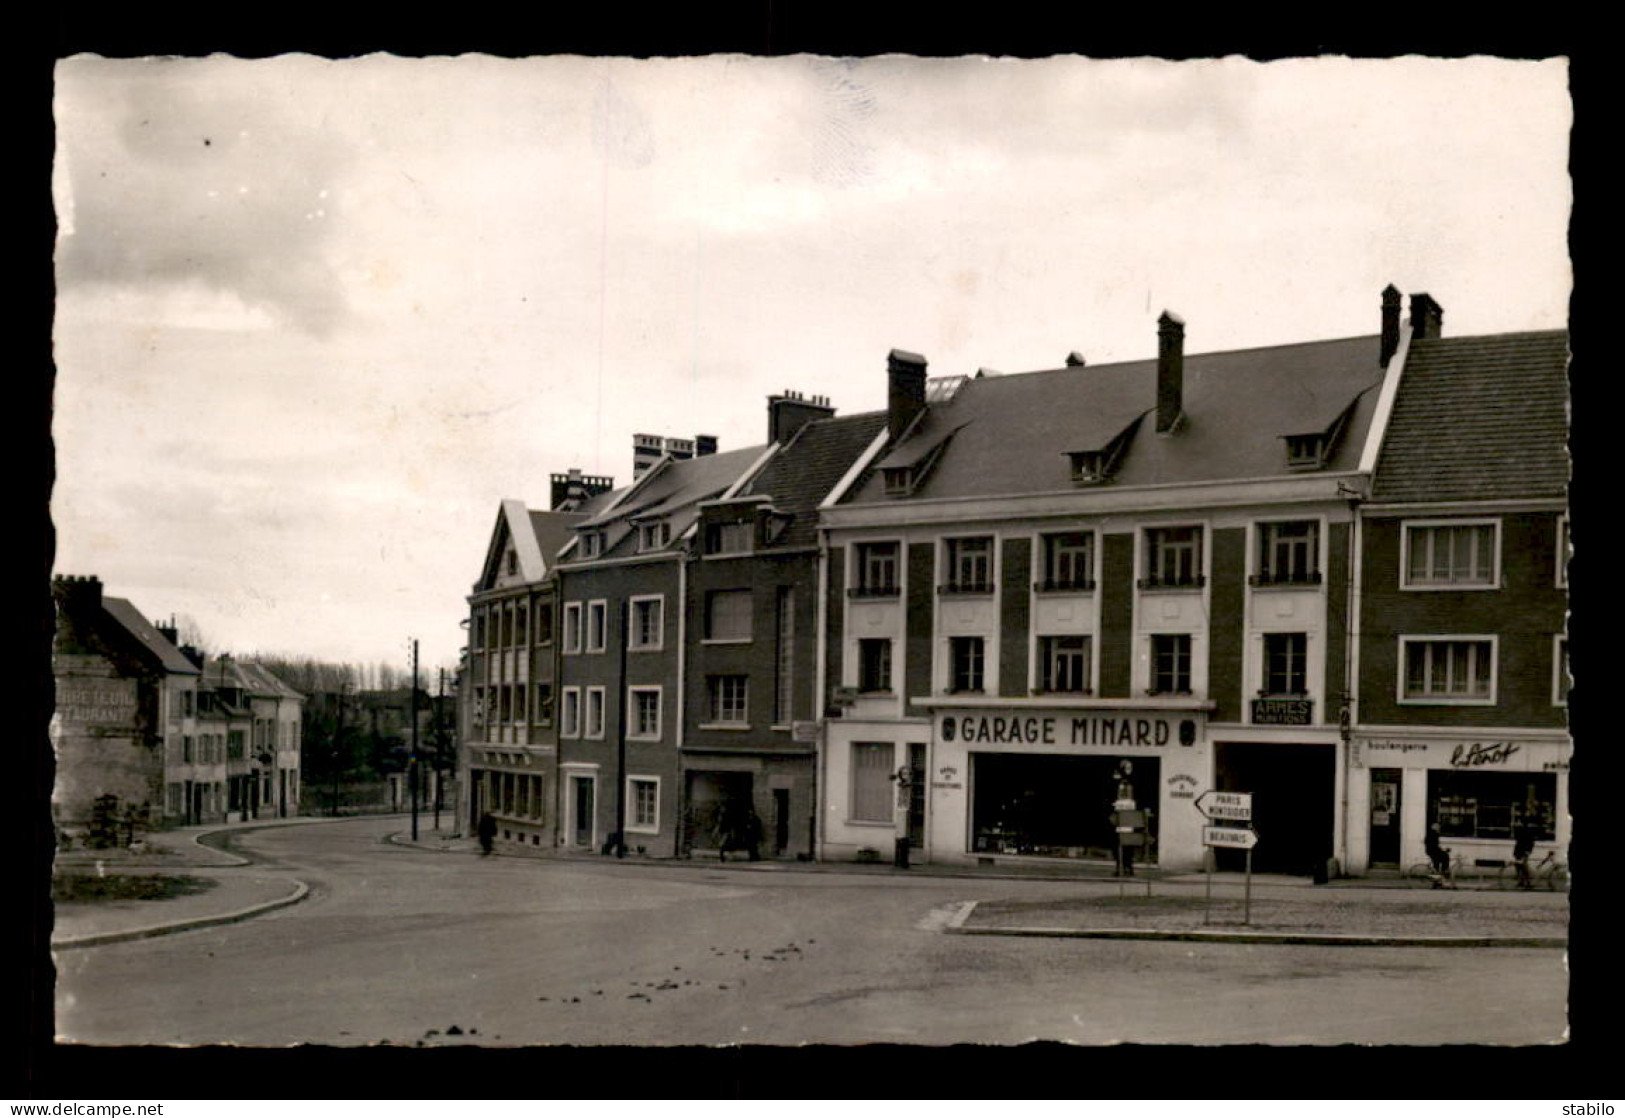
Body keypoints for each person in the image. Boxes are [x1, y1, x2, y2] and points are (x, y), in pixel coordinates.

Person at [1424, 822, 1453, 888]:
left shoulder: (1431, 833)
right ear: (1434, 827)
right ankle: (1444, 873)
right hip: (1433, 852)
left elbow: (1434, 845)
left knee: (1436, 865)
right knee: (1445, 857)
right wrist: (1443, 850)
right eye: (1437, 826)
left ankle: (1436, 883)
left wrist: (1442, 849)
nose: (1439, 828)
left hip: (1431, 851)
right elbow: (1434, 845)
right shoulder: (1434, 834)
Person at [1512, 819, 1536, 889]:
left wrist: (1528, 851)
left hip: (1523, 851)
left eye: (1519, 822)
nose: (1517, 823)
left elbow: (1531, 842)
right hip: (1519, 851)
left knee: (1524, 867)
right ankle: (1521, 881)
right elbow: (1517, 839)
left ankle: (1528, 882)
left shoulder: (1527, 831)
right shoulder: (1520, 830)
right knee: (1519, 866)